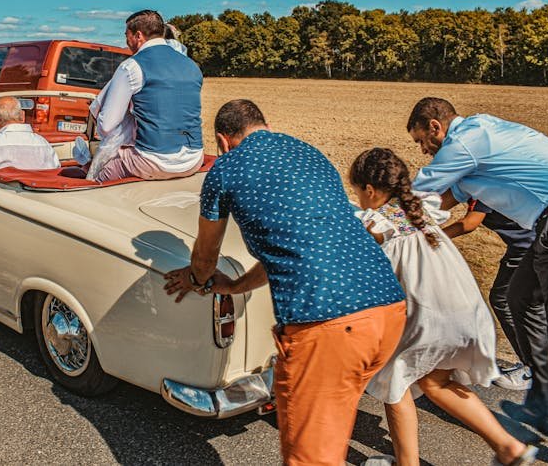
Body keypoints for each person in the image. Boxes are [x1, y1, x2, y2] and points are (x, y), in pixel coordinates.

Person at [164, 99, 407, 466]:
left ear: (223, 140)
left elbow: (206, 255)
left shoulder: (225, 169)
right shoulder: (310, 154)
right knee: (331, 434)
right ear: (265, 126)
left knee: (310, 458)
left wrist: (197, 278)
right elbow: (297, 247)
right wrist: (236, 286)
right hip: (388, 310)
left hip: (328, 323)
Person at [407, 97, 548, 459]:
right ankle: (541, 400)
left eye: (422, 140)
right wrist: (410, 228)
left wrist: (376, 221)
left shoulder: (464, 142)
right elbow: (446, 198)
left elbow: (419, 193)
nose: (423, 150)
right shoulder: (477, 146)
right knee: (518, 297)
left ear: (435, 126)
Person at [349, 148, 536, 466]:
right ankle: (509, 447)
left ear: (369, 189)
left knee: (395, 382)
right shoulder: (422, 208)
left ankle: (407, 463)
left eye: (357, 192)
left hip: (430, 319)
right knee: (436, 382)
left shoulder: (376, 224)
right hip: (466, 311)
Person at [91, 9, 203, 182]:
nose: (126, 41)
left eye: (127, 35)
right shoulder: (192, 65)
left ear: (138, 36)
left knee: (97, 175)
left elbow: (106, 126)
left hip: (152, 161)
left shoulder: (131, 66)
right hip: (194, 159)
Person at [444, 199, 536, 390]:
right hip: (533, 244)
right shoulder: (481, 185)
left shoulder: (480, 188)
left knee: (504, 300)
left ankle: (534, 369)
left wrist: (432, 237)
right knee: (530, 304)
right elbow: (442, 201)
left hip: (529, 248)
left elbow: (470, 223)